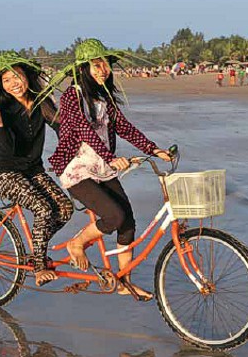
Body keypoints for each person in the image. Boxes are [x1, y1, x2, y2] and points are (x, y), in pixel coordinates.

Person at [45, 39, 171, 301]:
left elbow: (123, 127)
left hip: (103, 167)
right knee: (113, 216)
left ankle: (124, 281)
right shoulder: (72, 97)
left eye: (105, 64)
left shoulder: (103, 96)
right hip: (77, 170)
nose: (103, 69)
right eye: (96, 64)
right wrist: (111, 158)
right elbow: (85, 131)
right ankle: (76, 243)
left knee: (128, 222)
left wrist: (152, 149)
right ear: (83, 69)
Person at [0, 52, 74, 286]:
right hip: (3, 171)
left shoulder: (41, 102)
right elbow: (9, 148)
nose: (13, 84)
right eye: (6, 80)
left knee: (66, 209)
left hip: (32, 169)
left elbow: (60, 127)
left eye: (17, 76)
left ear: (27, 76)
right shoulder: (2, 108)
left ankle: (37, 250)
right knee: (43, 209)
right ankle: (38, 266)